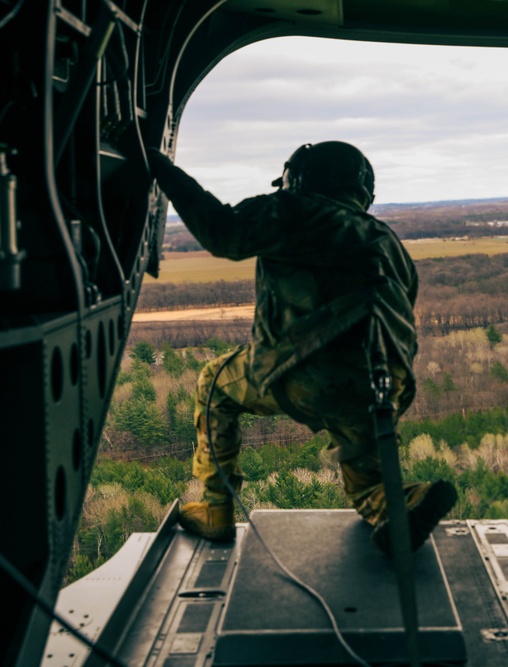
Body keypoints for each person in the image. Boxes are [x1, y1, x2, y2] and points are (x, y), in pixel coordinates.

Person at [145, 141, 456, 554]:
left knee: (214, 384)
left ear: (299, 178)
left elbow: (221, 233)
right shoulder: (386, 240)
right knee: (369, 488)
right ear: (363, 191)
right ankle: (402, 502)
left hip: (305, 374)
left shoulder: (291, 209)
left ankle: (216, 509)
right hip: (382, 389)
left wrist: (161, 168)